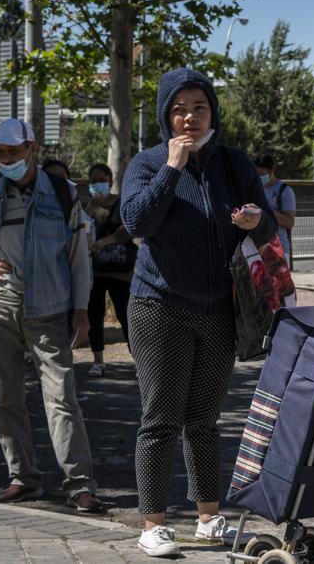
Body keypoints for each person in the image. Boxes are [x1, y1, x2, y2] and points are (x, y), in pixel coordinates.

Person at [120, 68, 278, 558]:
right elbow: (135, 221)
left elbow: (268, 222)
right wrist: (171, 168)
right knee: (161, 417)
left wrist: (255, 220)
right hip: (158, 305)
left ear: (214, 112)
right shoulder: (147, 163)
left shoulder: (233, 163)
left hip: (219, 308)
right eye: (180, 108)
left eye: (200, 107)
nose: (190, 117)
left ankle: (209, 517)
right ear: (167, 115)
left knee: (205, 420)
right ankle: (154, 524)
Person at [0, 118, 103, 513]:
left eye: (13, 151)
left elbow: (78, 259)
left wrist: (82, 311)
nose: (6, 158)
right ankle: (23, 478)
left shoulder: (64, 195)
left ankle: (80, 484)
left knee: (62, 399)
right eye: (0, 152)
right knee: (7, 398)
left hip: (50, 310)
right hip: (0, 307)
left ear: (32, 148)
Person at [84, 162, 136, 376]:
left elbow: (129, 229)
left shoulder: (121, 203)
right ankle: (98, 361)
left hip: (119, 271)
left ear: (110, 181)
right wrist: (90, 209)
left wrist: (106, 241)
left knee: (126, 315)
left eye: (101, 180)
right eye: (94, 180)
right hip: (94, 271)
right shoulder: (89, 207)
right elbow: (81, 228)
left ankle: (139, 360)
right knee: (94, 316)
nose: (98, 184)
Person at [255, 152, 297, 260]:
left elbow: (289, 222)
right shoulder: (254, 189)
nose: (258, 178)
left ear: (271, 170)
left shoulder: (284, 191)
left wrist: (265, 211)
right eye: (256, 174)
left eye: (261, 174)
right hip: (257, 250)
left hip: (279, 251)